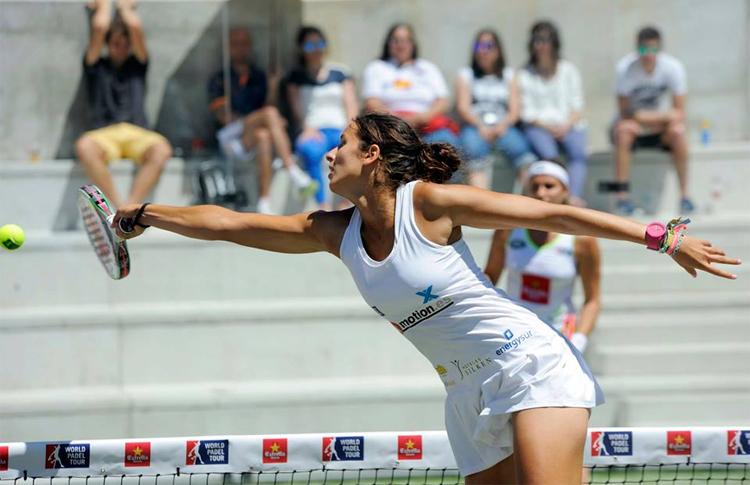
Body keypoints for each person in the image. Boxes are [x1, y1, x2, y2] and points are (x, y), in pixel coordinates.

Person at [113, 113, 739, 484]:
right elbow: (229, 222)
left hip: (528, 365)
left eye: (342, 143)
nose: (329, 153)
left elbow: (557, 213)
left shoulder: (431, 204)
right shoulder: (335, 232)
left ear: (374, 156)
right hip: (464, 395)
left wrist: (660, 236)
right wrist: (146, 213)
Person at [484, 161, 599, 353]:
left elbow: (592, 299)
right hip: (515, 332)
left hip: (561, 334)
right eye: (534, 186)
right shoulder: (507, 229)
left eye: (549, 186)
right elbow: (490, 277)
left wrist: (580, 338)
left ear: (565, 191)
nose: (541, 193)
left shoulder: (582, 240)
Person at [75, 0, 173, 208]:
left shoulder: (138, 65)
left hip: (137, 131)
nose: (121, 48)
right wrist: (104, 5)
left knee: (162, 149)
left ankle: (132, 207)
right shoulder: (95, 65)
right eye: (116, 44)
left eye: (125, 44)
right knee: (84, 146)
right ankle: (117, 207)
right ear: (107, 45)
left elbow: (135, 28)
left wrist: (125, 8)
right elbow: (100, 27)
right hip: (104, 133)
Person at [208, 27, 316, 214]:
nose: (241, 48)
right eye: (236, 44)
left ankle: (264, 201)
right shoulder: (220, 78)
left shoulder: (258, 76)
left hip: (252, 136)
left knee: (264, 135)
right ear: (228, 48)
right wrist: (261, 118)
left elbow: (269, 106)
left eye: (244, 44)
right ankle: (293, 171)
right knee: (269, 115)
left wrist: (273, 87)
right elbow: (224, 116)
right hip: (230, 137)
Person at [611, 26, 694, 215]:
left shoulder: (673, 67)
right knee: (624, 131)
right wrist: (661, 116)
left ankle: (685, 196)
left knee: (679, 131)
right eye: (643, 50)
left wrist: (643, 116)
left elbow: (679, 112)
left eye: (653, 50)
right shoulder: (625, 69)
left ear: (660, 49)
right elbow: (625, 112)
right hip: (635, 130)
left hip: (660, 131)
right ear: (636, 49)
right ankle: (621, 198)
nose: (648, 55)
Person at [286, 26, 358, 209]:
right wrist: (306, 128)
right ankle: (322, 205)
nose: (316, 49)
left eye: (319, 44)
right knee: (310, 151)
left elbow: (351, 104)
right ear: (301, 49)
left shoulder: (340, 73)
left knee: (350, 153)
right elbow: (295, 109)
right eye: (310, 45)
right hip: (313, 129)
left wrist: (350, 130)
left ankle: (345, 202)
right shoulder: (295, 77)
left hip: (340, 128)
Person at [518, 21, 588, 206]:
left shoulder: (569, 70)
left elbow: (577, 105)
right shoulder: (524, 74)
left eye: (545, 40)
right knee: (549, 155)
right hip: (538, 127)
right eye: (537, 40)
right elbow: (525, 112)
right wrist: (547, 127)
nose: (540, 45)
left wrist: (566, 125)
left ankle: (572, 197)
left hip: (569, 124)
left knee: (578, 153)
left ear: (554, 43)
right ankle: (550, 200)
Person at [456, 29, 537, 189]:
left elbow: (515, 111)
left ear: (498, 50)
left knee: (524, 154)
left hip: (504, 126)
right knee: (473, 154)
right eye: (479, 46)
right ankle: (482, 207)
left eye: (489, 46)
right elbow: (463, 108)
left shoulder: (509, 75)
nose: (484, 51)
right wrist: (481, 126)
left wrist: (502, 125)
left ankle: (526, 206)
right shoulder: (466, 75)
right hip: (475, 127)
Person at [362, 23, 459, 147]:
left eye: (405, 40)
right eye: (396, 40)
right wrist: (398, 120)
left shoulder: (427, 68)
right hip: (390, 128)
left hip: (427, 127)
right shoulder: (376, 68)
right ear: (388, 43)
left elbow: (443, 101)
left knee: (446, 141)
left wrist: (421, 118)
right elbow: (371, 102)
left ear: (412, 44)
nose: (400, 45)